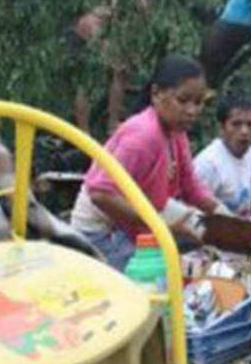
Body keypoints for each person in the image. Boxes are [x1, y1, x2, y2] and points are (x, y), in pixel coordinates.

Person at [71, 54, 222, 271]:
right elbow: (100, 193)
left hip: (130, 226)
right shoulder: (143, 136)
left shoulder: (176, 133)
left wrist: (225, 216)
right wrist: (157, 222)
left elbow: (191, 187)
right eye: (183, 100)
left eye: (198, 103)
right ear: (156, 94)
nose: (192, 111)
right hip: (101, 234)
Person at [194, 96, 251, 222]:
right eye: (236, 124)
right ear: (221, 128)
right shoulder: (208, 164)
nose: (244, 131)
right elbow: (195, 216)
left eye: (250, 124)